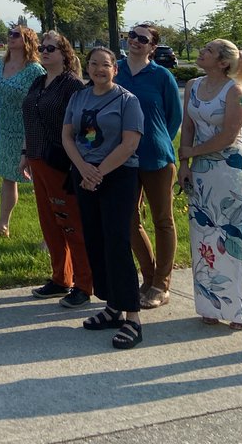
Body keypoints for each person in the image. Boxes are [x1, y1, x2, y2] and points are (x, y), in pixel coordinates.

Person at [63, 46, 144, 349]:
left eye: (105, 65)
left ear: (115, 69)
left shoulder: (127, 101)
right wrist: (84, 168)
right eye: (94, 64)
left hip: (118, 176)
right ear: (87, 68)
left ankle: (133, 318)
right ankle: (112, 307)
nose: (99, 69)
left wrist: (98, 171)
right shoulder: (78, 97)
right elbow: (67, 136)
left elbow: (129, 144)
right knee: (95, 241)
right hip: (84, 176)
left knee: (117, 243)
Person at [178, 39, 242, 330]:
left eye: (208, 51)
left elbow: (229, 135)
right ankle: (209, 303)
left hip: (229, 169)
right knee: (204, 234)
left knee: (233, 239)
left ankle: (238, 309)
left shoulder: (236, 92)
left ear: (223, 63)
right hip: (201, 170)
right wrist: (184, 164)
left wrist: (191, 153)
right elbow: (188, 126)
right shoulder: (193, 85)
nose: (202, 52)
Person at [20, 31, 91, 307]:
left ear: (65, 54)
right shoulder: (38, 81)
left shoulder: (72, 86)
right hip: (37, 160)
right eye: (42, 47)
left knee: (71, 223)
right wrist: (26, 153)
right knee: (49, 222)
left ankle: (84, 284)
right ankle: (61, 278)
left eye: (51, 48)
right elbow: (29, 119)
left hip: (62, 163)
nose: (44, 51)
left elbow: (84, 128)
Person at [115, 24, 182, 309]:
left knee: (163, 220)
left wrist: (154, 139)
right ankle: (149, 277)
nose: (136, 42)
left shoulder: (162, 76)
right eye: (132, 35)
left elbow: (173, 118)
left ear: (153, 47)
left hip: (156, 158)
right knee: (129, 220)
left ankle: (161, 284)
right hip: (121, 159)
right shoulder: (116, 70)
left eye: (143, 39)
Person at [0, 25, 45, 237]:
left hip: (26, 130)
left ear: (27, 40)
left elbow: (42, 103)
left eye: (16, 35)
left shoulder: (35, 70)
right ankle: (2, 226)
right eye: (9, 34)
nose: (10, 38)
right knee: (7, 177)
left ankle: (47, 236)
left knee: (40, 183)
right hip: (4, 129)